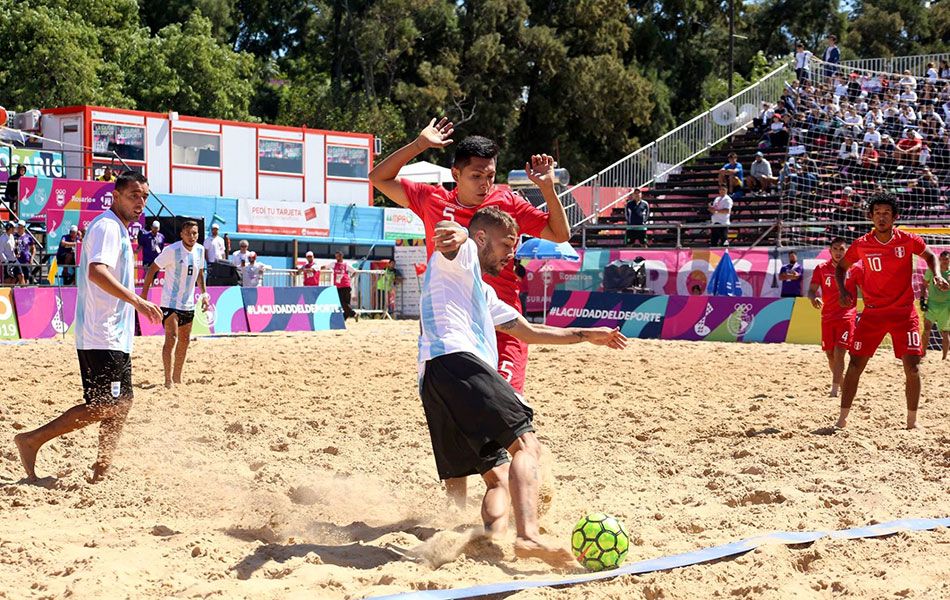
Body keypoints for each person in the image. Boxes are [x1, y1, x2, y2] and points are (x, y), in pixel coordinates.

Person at [368, 117, 571, 508]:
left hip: (503, 323)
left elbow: (558, 234)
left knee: (506, 413)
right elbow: (378, 178)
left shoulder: (507, 203)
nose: (486, 183)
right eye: (477, 175)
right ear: (456, 174)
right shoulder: (432, 200)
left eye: (491, 175)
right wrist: (418, 144)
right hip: (453, 328)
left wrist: (547, 188)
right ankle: (457, 513)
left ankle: (523, 500)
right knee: (460, 414)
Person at [419, 208, 626, 567]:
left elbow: (528, 332)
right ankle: (528, 537)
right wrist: (458, 234)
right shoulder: (461, 256)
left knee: (497, 478)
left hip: (433, 382)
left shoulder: (481, 292)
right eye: (507, 244)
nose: (511, 253)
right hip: (460, 363)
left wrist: (585, 335)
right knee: (527, 444)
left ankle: (486, 537)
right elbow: (455, 236)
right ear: (482, 240)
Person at [14, 171, 163, 482]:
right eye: (134, 195)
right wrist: (137, 302)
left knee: (121, 404)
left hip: (114, 335)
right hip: (101, 333)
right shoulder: (108, 226)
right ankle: (31, 440)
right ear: (117, 195)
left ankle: (102, 469)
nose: (141, 202)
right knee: (105, 405)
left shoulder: (120, 228)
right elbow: (96, 272)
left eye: (145, 197)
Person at [834, 192, 949, 430]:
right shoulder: (862, 244)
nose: (882, 217)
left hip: (904, 313)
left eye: (886, 213)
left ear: (895, 217)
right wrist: (844, 291)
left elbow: (931, 257)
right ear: (870, 217)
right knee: (855, 366)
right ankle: (842, 419)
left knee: (913, 367)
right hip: (872, 314)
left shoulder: (907, 240)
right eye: (877, 213)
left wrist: (936, 275)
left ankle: (912, 422)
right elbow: (841, 268)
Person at [140, 220, 209, 389]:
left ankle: (177, 378)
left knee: (184, 341)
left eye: (195, 233)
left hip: (188, 304)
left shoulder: (200, 250)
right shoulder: (171, 250)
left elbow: (199, 273)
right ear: (181, 234)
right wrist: (144, 294)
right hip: (170, 303)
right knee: (171, 339)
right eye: (188, 233)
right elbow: (152, 269)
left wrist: (204, 294)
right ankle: (167, 380)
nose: (192, 236)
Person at [808, 238, 862, 397]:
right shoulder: (821, 268)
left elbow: (865, 290)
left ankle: (834, 390)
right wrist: (813, 298)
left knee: (839, 352)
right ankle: (843, 385)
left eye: (842, 249)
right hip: (827, 317)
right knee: (830, 354)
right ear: (830, 250)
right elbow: (812, 289)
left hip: (847, 316)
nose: (838, 252)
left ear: (847, 251)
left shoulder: (855, 269)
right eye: (835, 249)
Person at [920, 251, 950, 360]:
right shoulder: (932, 270)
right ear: (939, 259)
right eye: (942, 259)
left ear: (949, 260)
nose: (944, 261)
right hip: (932, 304)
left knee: (945, 332)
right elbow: (924, 284)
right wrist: (922, 300)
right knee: (927, 327)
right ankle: (922, 353)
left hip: (946, 305)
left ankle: (944, 358)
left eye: (946, 259)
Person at [324, 251, 357, 319]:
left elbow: (354, 272)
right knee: (341, 302)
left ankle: (345, 318)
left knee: (346, 303)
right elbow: (325, 267)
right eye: (336, 256)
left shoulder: (346, 265)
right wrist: (318, 268)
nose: (336, 258)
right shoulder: (333, 264)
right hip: (338, 287)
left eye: (338, 256)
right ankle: (353, 314)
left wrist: (350, 278)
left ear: (341, 256)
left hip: (346, 286)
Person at [14, 220, 34, 284]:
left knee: (26, 278)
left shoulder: (28, 237)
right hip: (16, 261)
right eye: (18, 227)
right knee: (18, 276)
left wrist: (32, 258)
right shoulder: (14, 236)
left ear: (24, 228)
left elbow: (33, 248)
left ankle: (25, 292)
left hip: (26, 260)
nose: (19, 228)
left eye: (21, 227)